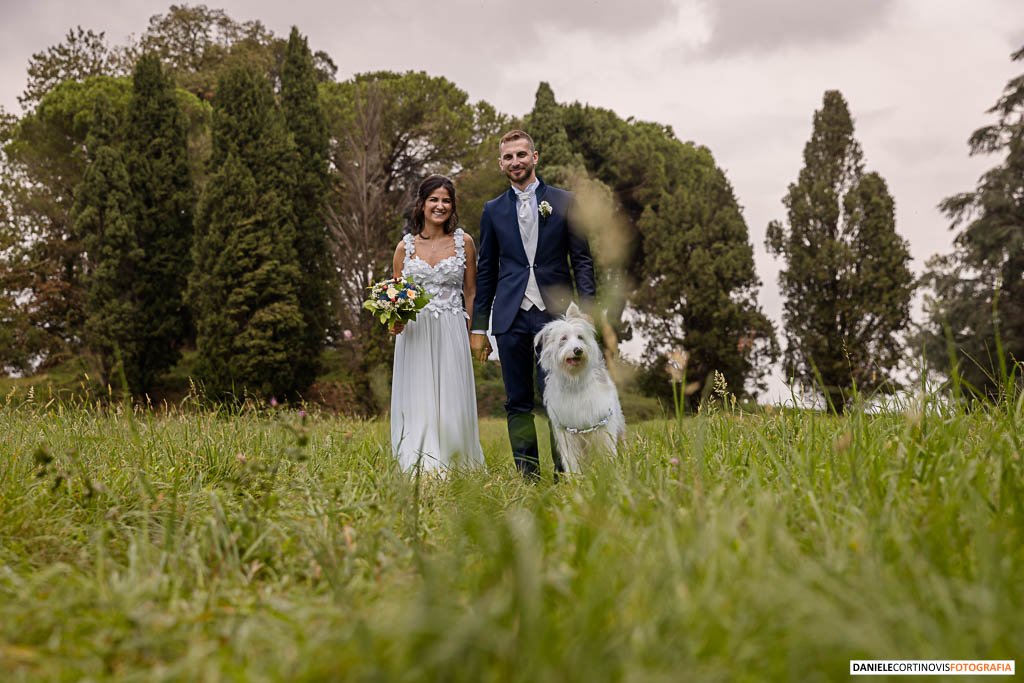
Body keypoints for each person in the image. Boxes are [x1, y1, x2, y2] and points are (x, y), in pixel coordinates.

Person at [471, 130, 596, 479]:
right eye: (508, 157)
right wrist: (479, 325)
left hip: (555, 316)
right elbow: (485, 270)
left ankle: (564, 471)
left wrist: (586, 311)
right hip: (510, 316)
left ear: (535, 157)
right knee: (517, 402)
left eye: (521, 155)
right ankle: (527, 476)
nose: (515, 162)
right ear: (501, 163)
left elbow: (582, 260)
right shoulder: (493, 210)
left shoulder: (564, 201)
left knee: (560, 397)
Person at [390, 175, 485, 472]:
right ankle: (420, 460)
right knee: (418, 397)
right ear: (422, 204)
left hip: (451, 327)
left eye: (446, 200)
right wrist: (395, 321)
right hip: (415, 332)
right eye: (434, 200)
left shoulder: (464, 243)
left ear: (452, 206)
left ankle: (456, 458)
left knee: (451, 397)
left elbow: (471, 291)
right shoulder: (404, 248)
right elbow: (397, 296)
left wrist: (475, 333)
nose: (440, 206)